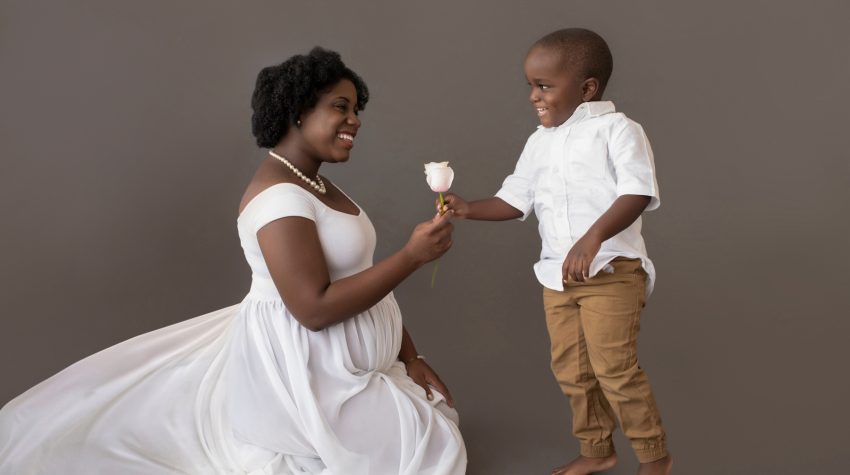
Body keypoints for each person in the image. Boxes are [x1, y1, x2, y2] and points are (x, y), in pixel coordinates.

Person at [0, 47, 466, 475]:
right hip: (311, 379)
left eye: (356, 109)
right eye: (340, 108)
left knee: (434, 431)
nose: (355, 120)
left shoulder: (315, 184)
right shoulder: (278, 198)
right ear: (297, 113)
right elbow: (314, 309)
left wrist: (410, 356)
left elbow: (361, 277)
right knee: (429, 452)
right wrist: (411, 257)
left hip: (361, 369)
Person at [440, 28, 671, 475]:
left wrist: (593, 237)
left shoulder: (617, 130)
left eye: (544, 86)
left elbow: (637, 192)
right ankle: (597, 449)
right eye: (530, 85)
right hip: (557, 278)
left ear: (586, 89)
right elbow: (514, 200)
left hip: (611, 272)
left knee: (614, 369)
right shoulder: (539, 142)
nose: (533, 96)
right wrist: (467, 208)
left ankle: (655, 456)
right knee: (572, 371)